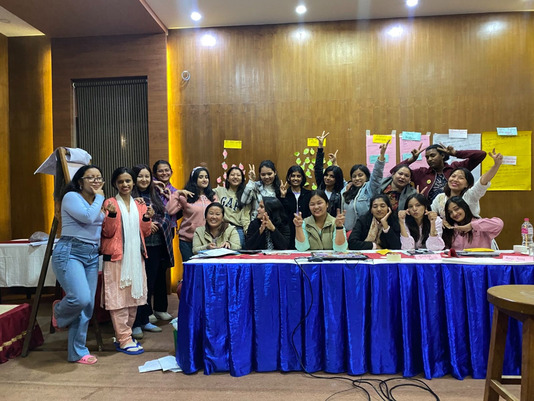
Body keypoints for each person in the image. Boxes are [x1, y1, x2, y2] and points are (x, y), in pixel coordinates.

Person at [51, 165, 108, 365]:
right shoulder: (71, 197)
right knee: (81, 298)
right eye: (90, 177)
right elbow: (87, 217)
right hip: (70, 252)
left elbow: (98, 225)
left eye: (98, 177)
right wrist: (100, 197)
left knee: (88, 306)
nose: (95, 181)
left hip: (91, 255)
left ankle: (77, 352)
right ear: (80, 181)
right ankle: (59, 312)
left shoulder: (95, 202)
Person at [101, 167, 154, 355]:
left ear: (133, 183)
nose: (125, 184)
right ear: (115, 183)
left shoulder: (139, 204)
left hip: (136, 257)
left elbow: (145, 233)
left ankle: (125, 335)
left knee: (133, 299)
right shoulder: (109, 202)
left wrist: (147, 218)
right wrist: (113, 214)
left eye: (128, 181)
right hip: (116, 258)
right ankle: (123, 339)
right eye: (121, 181)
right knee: (119, 300)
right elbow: (107, 232)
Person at [130, 164, 175, 340]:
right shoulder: (131, 197)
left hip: (156, 245)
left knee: (151, 283)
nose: (144, 179)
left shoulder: (156, 195)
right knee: (138, 285)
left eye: (147, 176)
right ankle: (135, 322)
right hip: (138, 246)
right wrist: (148, 224)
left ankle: (145, 318)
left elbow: (165, 215)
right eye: (140, 176)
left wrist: (158, 225)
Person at [392, 143, 486, 202]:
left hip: (456, 211)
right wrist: (412, 159)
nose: (429, 159)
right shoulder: (421, 173)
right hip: (430, 215)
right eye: (427, 157)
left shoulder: (456, 168)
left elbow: (481, 155)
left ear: (442, 155)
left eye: (432, 155)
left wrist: (456, 153)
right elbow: (394, 171)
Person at [431, 149, 503, 219]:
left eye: (461, 178)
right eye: (453, 176)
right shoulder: (440, 198)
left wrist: (496, 165)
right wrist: (439, 220)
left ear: (467, 184)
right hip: (448, 230)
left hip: (471, 229)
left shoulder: (471, 195)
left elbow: (483, 180)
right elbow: (431, 214)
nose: (455, 180)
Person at [166, 167, 218, 262]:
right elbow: (169, 210)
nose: (204, 179)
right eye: (201, 177)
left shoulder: (212, 196)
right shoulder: (186, 196)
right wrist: (177, 193)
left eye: (206, 177)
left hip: (207, 240)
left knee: (205, 271)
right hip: (187, 240)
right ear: (194, 179)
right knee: (190, 271)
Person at [342, 140, 389, 230]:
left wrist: (381, 156)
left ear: (367, 176)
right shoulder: (348, 189)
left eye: (360, 175)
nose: (357, 178)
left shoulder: (370, 189)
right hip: (348, 232)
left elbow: (376, 175)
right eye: (354, 176)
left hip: (365, 232)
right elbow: (340, 180)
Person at [214, 166, 251, 247]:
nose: (235, 177)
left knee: (238, 253)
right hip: (221, 228)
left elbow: (245, 216)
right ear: (227, 178)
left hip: (237, 228)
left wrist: (247, 231)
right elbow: (204, 192)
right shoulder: (220, 190)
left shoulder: (245, 195)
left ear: (242, 179)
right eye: (232, 175)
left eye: (238, 175)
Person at [279, 165, 312, 248]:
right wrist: (283, 197)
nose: (295, 179)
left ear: (302, 178)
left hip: (305, 227)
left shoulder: (308, 194)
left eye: (298, 176)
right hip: (289, 228)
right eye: (293, 176)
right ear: (289, 178)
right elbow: (282, 213)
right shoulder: (284, 194)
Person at [314, 131, 344, 216]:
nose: (327, 178)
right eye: (326, 175)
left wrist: (335, 163)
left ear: (336, 179)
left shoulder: (341, 191)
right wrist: (320, 147)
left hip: (334, 224)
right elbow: (318, 168)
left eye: (332, 176)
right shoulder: (321, 186)